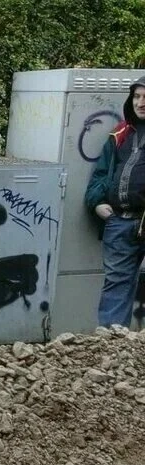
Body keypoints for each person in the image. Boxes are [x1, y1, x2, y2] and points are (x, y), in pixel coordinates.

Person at [86, 75, 145, 328]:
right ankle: (112, 352)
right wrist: (96, 203)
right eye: (137, 96)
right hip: (120, 223)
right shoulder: (120, 133)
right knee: (116, 286)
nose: (141, 103)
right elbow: (100, 175)